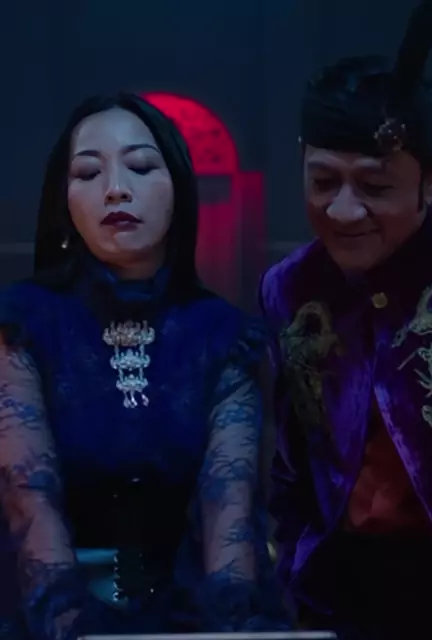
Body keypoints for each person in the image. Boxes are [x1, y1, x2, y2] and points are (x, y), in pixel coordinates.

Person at [0, 93, 288, 640]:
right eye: (89, 173)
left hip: (187, 616)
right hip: (43, 616)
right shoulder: (21, 322)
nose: (115, 188)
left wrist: (232, 627)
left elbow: (228, 507)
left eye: (140, 166)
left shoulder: (225, 336)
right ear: (63, 200)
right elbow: (28, 498)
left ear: (178, 187)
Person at [259, 0, 432, 638]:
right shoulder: (290, 287)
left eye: (376, 187)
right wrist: (295, 580)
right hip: (344, 604)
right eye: (323, 181)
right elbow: (292, 470)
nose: (344, 211)